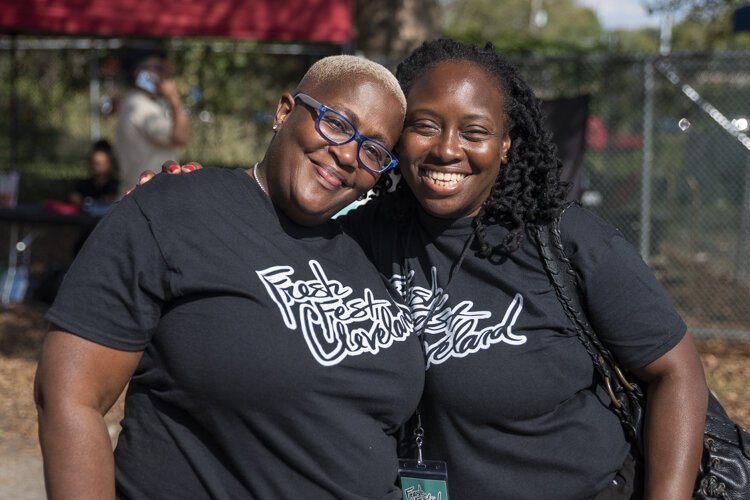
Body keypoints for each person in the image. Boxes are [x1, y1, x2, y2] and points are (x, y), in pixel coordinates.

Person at [135, 39, 709, 499]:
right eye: (426, 125)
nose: (446, 150)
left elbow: (676, 373)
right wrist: (193, 195)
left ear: (507, 144)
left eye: (476, 131)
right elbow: (270, 210)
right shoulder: (356, 235)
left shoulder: (565, 244)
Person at [33, 55, 424, 499]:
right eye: (336, 123)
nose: (349, 154)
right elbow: (70, 397)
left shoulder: (370, 250)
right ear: (284, 111)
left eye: (374, 151)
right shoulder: (174, 211)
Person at [114, 47, 190, 196]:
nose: (163, 74)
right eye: (157, 68)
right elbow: (181, 137)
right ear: (138, 73)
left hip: (141, 194)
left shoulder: (133, 102)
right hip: (147, 196)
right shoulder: (141, 106)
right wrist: (174, 98)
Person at [68, 139, 119, 215]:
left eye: (100, 164)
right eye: (93, 163)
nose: (96, 167)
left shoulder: (116, 187)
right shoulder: (82, 185)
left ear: (109, 164)